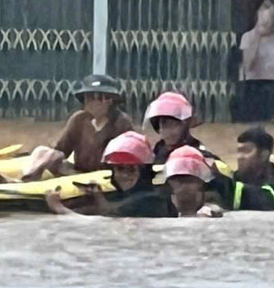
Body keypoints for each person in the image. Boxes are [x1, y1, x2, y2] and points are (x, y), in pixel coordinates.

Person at [21, 74, 134, 181]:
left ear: (109, 100)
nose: (88, 102)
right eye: (87, 98)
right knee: (41, 151)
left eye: (93, 98)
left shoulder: (121, 123)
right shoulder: (79, 119)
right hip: (77, 173)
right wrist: (47, 158)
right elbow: (61, 150)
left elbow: (127, 160)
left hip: (104, 176)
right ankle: (25, 179)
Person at [45, 131, 175, 217]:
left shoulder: (152, 199)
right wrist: (97, 196)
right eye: (119, 169)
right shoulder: (124, 195)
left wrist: (59, 208)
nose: (124, 175)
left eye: (131, 169)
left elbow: (109, 216)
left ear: (143, 171)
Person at [232, 0, 274, 122]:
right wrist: (258, 35)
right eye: (266, 8)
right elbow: (248, 65)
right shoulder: (248, 37)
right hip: (255, 88)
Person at [210, 127, 274, 211]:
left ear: (264, 155)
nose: (240, 157)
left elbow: (262, 200)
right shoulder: (234, 177)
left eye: (246, 151)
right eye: (239, 151)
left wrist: (220, 185)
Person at [144, 92, 220, 164]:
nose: (164, 131)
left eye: (171, 124)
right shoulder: (155, 154)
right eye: (161, 126)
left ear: (185, 125)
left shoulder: (203, 158)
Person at [164, 146, 223, 218]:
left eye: (189, 180)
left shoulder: (211, 209)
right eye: (178, 180)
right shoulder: (162, 206)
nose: (183, 187)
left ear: (201, 183)